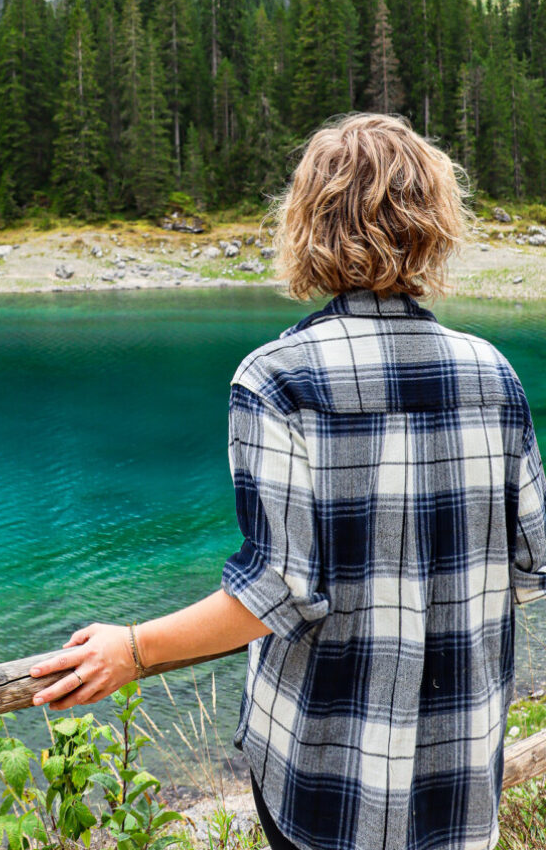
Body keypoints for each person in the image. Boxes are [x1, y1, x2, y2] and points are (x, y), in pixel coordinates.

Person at [30, 113, 546, 850]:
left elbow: (278, 588)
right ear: (434, 222)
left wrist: (133, 648)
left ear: (309, 222)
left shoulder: (276, 380)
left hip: (325, 787)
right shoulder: (493, 374)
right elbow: (532, 561)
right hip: (459, 783)